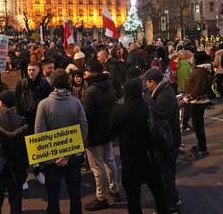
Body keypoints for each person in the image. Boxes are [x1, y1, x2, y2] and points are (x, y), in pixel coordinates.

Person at [110, 78, 168, 214]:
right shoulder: (147, 105)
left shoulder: (119, 110)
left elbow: (112, 130)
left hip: (130, 157)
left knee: (133, 195)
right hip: (149, 155)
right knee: (158, 189)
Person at [35, 69, 88, 214]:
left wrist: (55, 155)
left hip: (51, 159)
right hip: (73, 157)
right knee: (74, 193)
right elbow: (83, 128)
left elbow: (39, 133)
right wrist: (68, 154)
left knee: (53, 195)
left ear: (51, 83)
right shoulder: (76, 102)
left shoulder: (44, 104)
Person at [83, 60, 120, 211]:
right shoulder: (108, 85)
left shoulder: (91, 91)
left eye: (86, 70)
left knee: (97, 167)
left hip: (94, 133)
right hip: (107, 130)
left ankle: (101, 197)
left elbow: (86, 116)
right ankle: (114, 189)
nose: (84, 73)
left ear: (93, 71)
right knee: (109, 161)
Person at [144, 68, 182, 213]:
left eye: (148, 82)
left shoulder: (164, 96)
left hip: (167, 143)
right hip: (168, 141)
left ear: (153, 82)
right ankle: (170, 201)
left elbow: (160, 121)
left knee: (166, 175)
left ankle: (172, 204)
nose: (146, 85)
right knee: (165, 174)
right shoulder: (162, 91)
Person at [15, 61, 52, 187]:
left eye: (33, 70)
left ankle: (38, 171)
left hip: (39, 120)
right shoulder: (21, 84)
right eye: (29, 70)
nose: (31, 72)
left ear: (39, 70)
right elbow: (18, 103)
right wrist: (20, 121)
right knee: (23, 150)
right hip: (25, 121)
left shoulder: (44, 84)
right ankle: (23, 177)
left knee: (38, 148)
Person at [181, 51, 212, 158]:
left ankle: (202, 148)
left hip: (197, 102)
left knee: (198, 126)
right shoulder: (202, 70)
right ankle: (200, 145)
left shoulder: (199, 71)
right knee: (198, 125)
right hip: (198, 101)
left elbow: (197, 88)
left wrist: (187, 98)